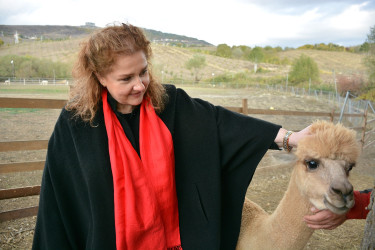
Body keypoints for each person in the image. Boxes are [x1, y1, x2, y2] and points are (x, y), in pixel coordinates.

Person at [31, 23, 335, 250]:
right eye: (126, 78)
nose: (140, 85)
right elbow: (59, 200)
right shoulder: (76, 124)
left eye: (143, 72)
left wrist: (290, 139)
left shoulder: (170, 103)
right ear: (99, 77)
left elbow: (224, 125)